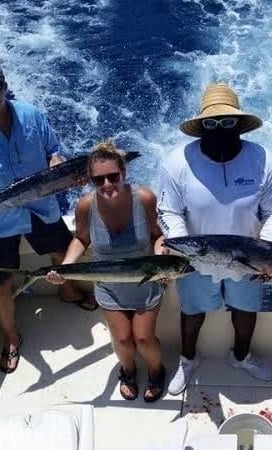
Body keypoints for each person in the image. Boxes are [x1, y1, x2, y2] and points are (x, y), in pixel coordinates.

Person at [156, 83, 272, 395]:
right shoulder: (176, 163)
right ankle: (188, 359)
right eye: (211, 124)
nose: (219, 129)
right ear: (200, 128)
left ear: (240, 125)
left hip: (247, 259)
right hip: (196, 257)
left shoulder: (265, 160)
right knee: (192, 310)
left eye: (227, 122)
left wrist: (264, 253)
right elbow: (168, 211)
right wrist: (183, 246)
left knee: (245, 310)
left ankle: (241, 357)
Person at [46, 141, 166, 402]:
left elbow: (159, 236)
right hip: (108, 284)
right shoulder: (86, 206)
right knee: (123, 341)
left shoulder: (144, 198)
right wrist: (66, 266)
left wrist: (160, 257)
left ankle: (157, 371)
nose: (107, 185)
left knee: (144, 339)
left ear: (124, 173)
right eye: (98, 180)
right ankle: (129, 371)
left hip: (145, 280)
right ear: (90, 181)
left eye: (113, 177)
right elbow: (80, 239)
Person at [0, 67, 97, 375]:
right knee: (0, 282)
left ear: (4, 85)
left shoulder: (30, 114)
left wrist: (58, 164)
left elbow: (54, 151)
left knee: (61, 252)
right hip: (2, 220)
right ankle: (12, 336)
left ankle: (67, 292)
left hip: (41, 207)